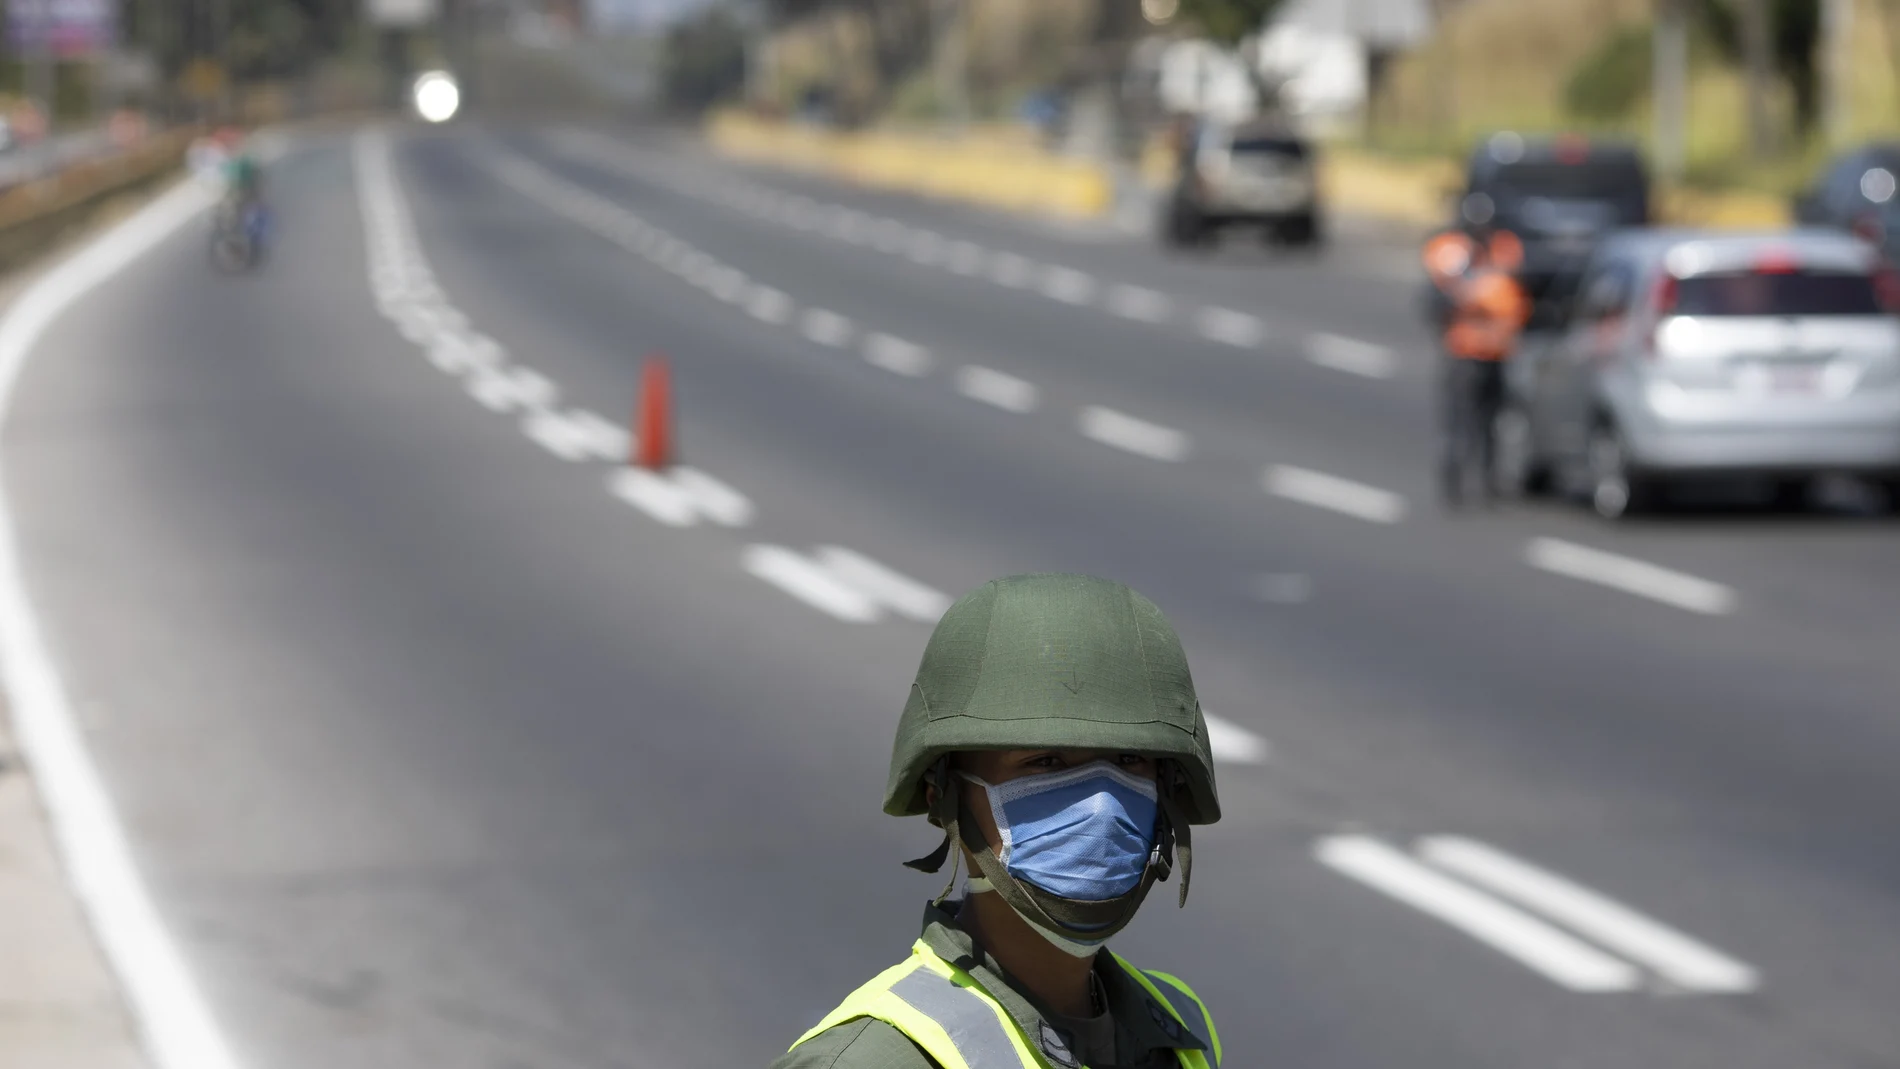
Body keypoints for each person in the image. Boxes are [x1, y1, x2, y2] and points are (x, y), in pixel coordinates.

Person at [774, 572, 1224, 1069]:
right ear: (943, 795)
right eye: (1047, 762)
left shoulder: (1180, 1031)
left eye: (1129, 760)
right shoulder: (874, 1060)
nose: (1101, 805)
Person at [1423, 212, 1531, 505]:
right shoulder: (1450, 254)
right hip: (1464, 355)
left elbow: (1520, 293)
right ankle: (1453, 483)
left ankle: (1489, 482)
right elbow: (1433, 303)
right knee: (1459, 424)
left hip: (1498, 354)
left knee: (1492, 422)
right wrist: (1466, 298)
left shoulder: (1505, 250)